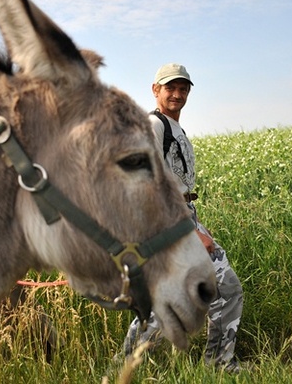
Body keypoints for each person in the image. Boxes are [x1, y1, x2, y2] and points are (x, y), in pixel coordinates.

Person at [121, 63, 244, 372]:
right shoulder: (155, 125)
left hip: (182, 218)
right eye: (170, 88)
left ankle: (126, 369)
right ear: (155, 90)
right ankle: (217, 364)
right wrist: (190, 231)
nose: (177, 94)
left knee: (167, 297)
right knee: (225, 287)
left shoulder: (175, 128)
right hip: (168, 225)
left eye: (183, 88)